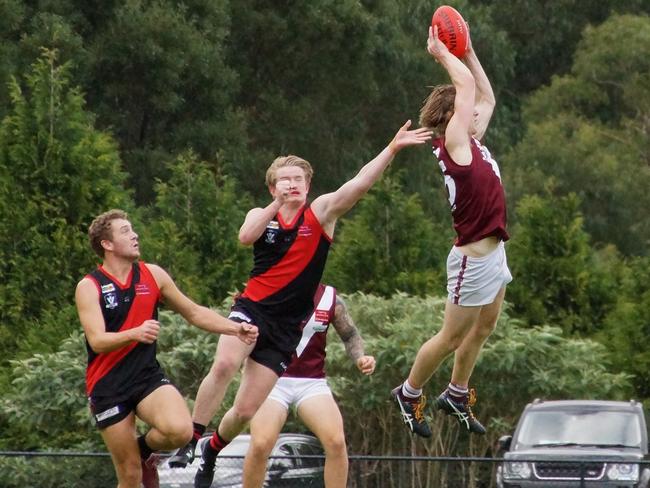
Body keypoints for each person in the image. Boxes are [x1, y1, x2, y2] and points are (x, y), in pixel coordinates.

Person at [183, 122, 431, 488]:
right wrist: (276, 204)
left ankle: (212, 448)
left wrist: (391, 149)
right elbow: (245, 236)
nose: (292, 184)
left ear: (309, 185)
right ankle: (192, 437)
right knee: (223, 364)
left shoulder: (320, 214)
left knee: (245, 410)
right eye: (284, 179)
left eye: (298, 178)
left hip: (286, 329)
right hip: (252, 310)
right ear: (272, 186)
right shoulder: (260, 213)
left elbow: (359, 184)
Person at [75, 209, 259, 488]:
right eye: (125, 231)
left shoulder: (153, 275)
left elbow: (194, 313)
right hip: (108, 385)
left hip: (146, 377)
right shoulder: (90, 286)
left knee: (181, 431)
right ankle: (137, 460)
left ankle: (143, 449)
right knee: (130, 477)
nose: (134, 234)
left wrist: (235, 327)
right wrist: (135, 333)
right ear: (107, 244)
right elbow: (98, 341)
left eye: (132, 228)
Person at [391, 25, 512, 438]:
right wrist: (442, 52)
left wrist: (471, 51)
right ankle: (409, 393)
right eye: (466, 107)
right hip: (472, 261)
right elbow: (463, 86)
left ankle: (457, 393)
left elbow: (486, 95)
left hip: (495, 253)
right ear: (452, 118)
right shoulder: (455, 142)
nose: (476, 109)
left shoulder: (471, 140)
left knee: (486, 325)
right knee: (450, 337)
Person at [243, 284, 374, 487]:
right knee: (261, 444)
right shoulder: (268, 287)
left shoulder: (330, 298)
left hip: (311, 382)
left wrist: (360, 358)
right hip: (271, 379)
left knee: (336, 442)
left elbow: (350, 335)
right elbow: (240, 330)